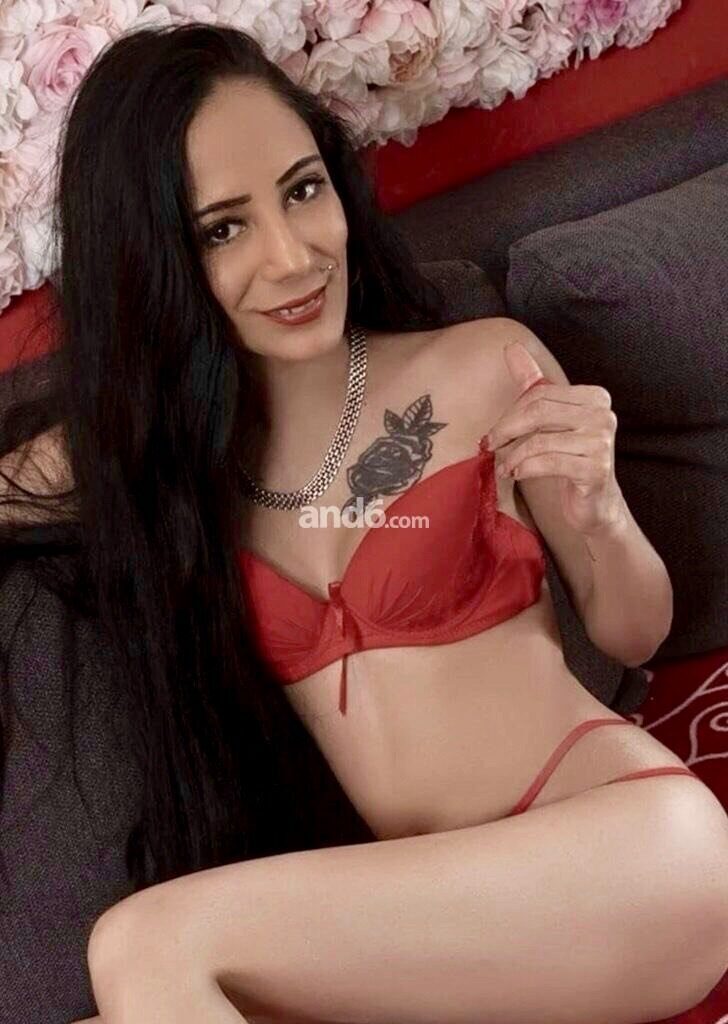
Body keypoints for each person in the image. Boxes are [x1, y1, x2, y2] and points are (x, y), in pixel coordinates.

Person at [1, 22, 726, 1024]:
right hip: (439, 931)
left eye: (302, 190)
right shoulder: (161, 469)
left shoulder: (482, 365)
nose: (292, 256)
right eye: (223, 230)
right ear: (154, 261)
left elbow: (631, 631)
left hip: (628, 849)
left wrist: (599, 509)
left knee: (142, 944)